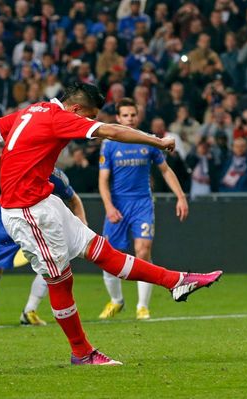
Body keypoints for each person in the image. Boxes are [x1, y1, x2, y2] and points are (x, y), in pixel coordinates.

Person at [0, 83, 222, 365]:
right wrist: (156, 140)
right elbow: (110, 131)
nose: (91, 122)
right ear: (76, 109)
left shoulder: (34, 110)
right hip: (26, 211)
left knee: (103, 251)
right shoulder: (59, 117)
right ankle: (82, 352)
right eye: (90, 116)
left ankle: (175, 281)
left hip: (45, 201)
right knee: (61, 281)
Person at [98, 98, 189, 321]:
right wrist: (109, 206)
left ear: (137, 117)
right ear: (118, 118)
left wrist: (180, 196)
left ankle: (142, 306)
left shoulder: (147, 141)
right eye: (125, 115)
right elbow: (103, 179)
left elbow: (165, 170)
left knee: (143, 250)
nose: (129, 119)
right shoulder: (109, 143)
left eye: (132, 115)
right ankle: (117, 301)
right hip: (118, 205)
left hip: (142, 203)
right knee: (109, 256)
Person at [0, 167, 87, 326]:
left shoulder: (55, 175)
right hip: (7, 221)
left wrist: (83, 226)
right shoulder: (20, 164)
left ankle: (29, 311)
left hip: (36, 224)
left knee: (51, 266)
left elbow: (74, 199)